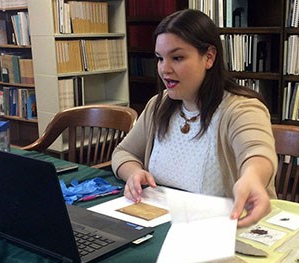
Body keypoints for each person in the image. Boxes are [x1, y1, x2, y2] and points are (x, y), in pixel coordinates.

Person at [112, 9, 277, 227]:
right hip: (162, 222)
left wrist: (252, 178)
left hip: (226, 228)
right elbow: (124, 152)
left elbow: (257, 151)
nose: (164, 69)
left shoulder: (241, 109)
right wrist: (133, 172)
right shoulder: (158, 105)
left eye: (177, 58)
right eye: (160, 58)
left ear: (209, 57)